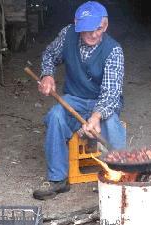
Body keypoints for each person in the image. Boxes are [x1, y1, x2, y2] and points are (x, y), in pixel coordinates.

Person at [33, 1, 126, 200]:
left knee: (112, 125)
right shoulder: (68, 34)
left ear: (105, 25)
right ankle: (58, 179)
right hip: (74, 99)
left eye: (98, 28)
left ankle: (122, 175)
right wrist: (47, 75)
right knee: (56, 116)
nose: (93, 34)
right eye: (87, 30)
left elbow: (111, 93)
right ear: (76, 24)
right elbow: (49, 54)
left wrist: (96, 116)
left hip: (102, 103)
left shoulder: (113, 51)